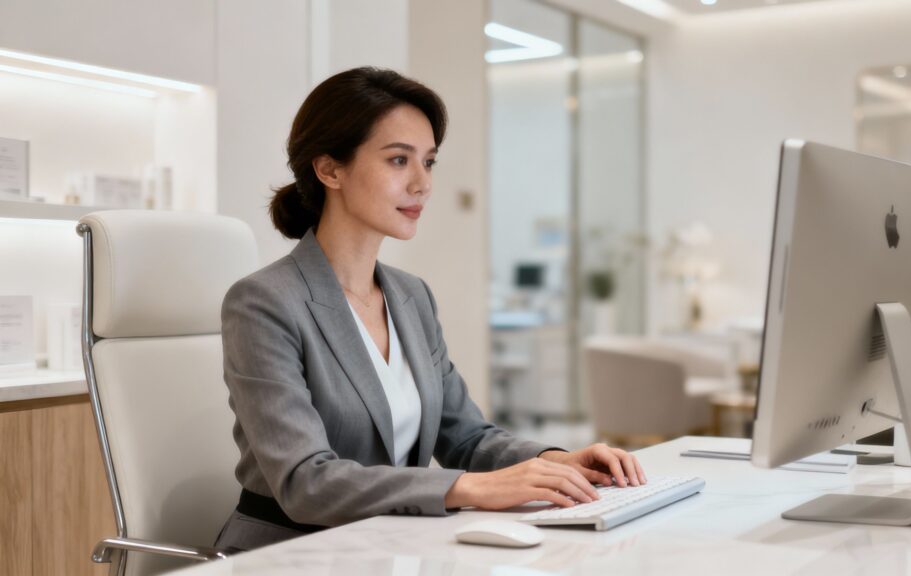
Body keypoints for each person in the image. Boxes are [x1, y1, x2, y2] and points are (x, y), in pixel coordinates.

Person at [214, 67, 646, 553]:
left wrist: (555, 461)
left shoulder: (410, 296)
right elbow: (304, 481)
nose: (422, 184)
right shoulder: (264, 301)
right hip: (286, 554)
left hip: (388, 545)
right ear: (329, 169)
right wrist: (468, 488)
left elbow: (467, 438)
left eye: (429, 162)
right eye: (399, 160)